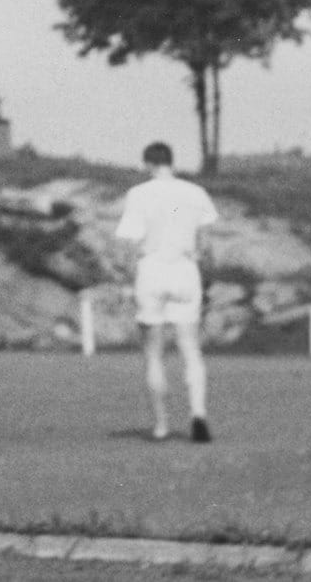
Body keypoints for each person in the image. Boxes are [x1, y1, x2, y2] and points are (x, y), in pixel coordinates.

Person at [115, 141, 219, 443]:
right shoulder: (196, 193)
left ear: (148, 163)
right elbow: (206, 242)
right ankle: (198, 414)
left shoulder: (139, 194)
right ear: (171, 162)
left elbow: (129, 242)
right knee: (190, 349)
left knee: (153, 353)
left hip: (152, 269)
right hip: (185, 269)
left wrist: (126, 279)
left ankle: (161, 425)